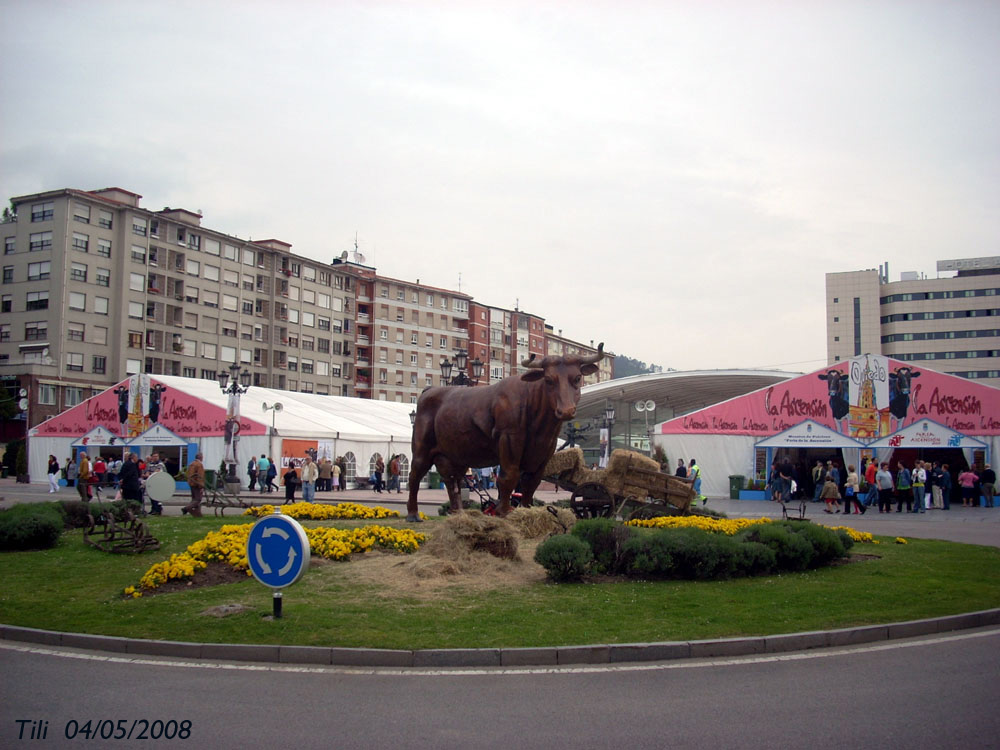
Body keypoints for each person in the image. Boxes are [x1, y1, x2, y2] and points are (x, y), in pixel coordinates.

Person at [182, 452, 205, 517]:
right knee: (198, 499)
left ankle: (198, 514)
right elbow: (200, 476)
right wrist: (201, 486)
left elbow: (188, 474)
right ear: (201, 458)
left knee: (194, 499)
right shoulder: (199, 465)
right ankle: (186, 508)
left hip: (192, 483)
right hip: (197, 484)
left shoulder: (191, 464)